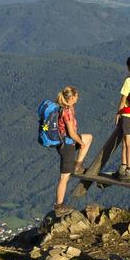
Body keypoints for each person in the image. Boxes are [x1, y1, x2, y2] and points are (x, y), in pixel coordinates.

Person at [53, 85, 92, 216]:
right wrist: (80, 143)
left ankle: (78, 165)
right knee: (64, 177)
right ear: (71, 97)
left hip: (65, 143)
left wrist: (81, 141)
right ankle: (59, 206)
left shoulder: (62, 107)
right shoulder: (67, 111)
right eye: (76, 96)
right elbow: (71, 133)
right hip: (67, 146)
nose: (78, 98)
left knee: (89, 137)